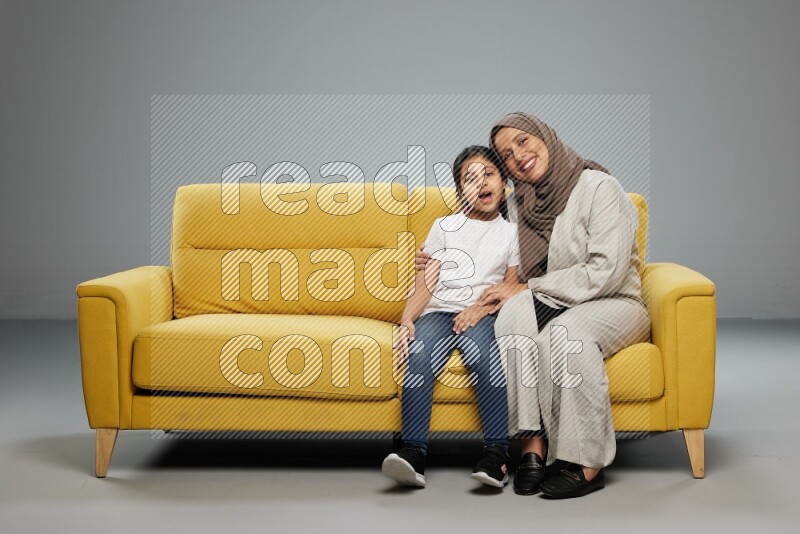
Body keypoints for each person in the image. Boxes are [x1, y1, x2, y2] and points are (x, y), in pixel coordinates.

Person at [415, 113, 650, 498]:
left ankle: (587, 463)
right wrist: (431, 259)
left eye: (524, 141)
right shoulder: (522, 202)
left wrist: (529, 288)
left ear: (546, 137)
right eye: (507, 154)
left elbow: (605, 270)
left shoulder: (600, 188)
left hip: (613, 301)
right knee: (513, 318)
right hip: (557, 299)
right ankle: (532, 446)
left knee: (565, 334)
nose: (518, 156)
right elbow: (482, 236)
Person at [381, 146, 519, 489]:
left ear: (504, 184)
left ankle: (498, 455)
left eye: (488, 174)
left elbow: (511, 286)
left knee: (486, 359)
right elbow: (427, 280)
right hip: (440, 311)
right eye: (469, 179)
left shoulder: (512, 233)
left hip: (484, 313)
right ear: (461, 192)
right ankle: (413, 452)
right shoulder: (444, 226)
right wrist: (408, 318)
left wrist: (480, 310)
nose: (481, 184)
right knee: (419, 354)